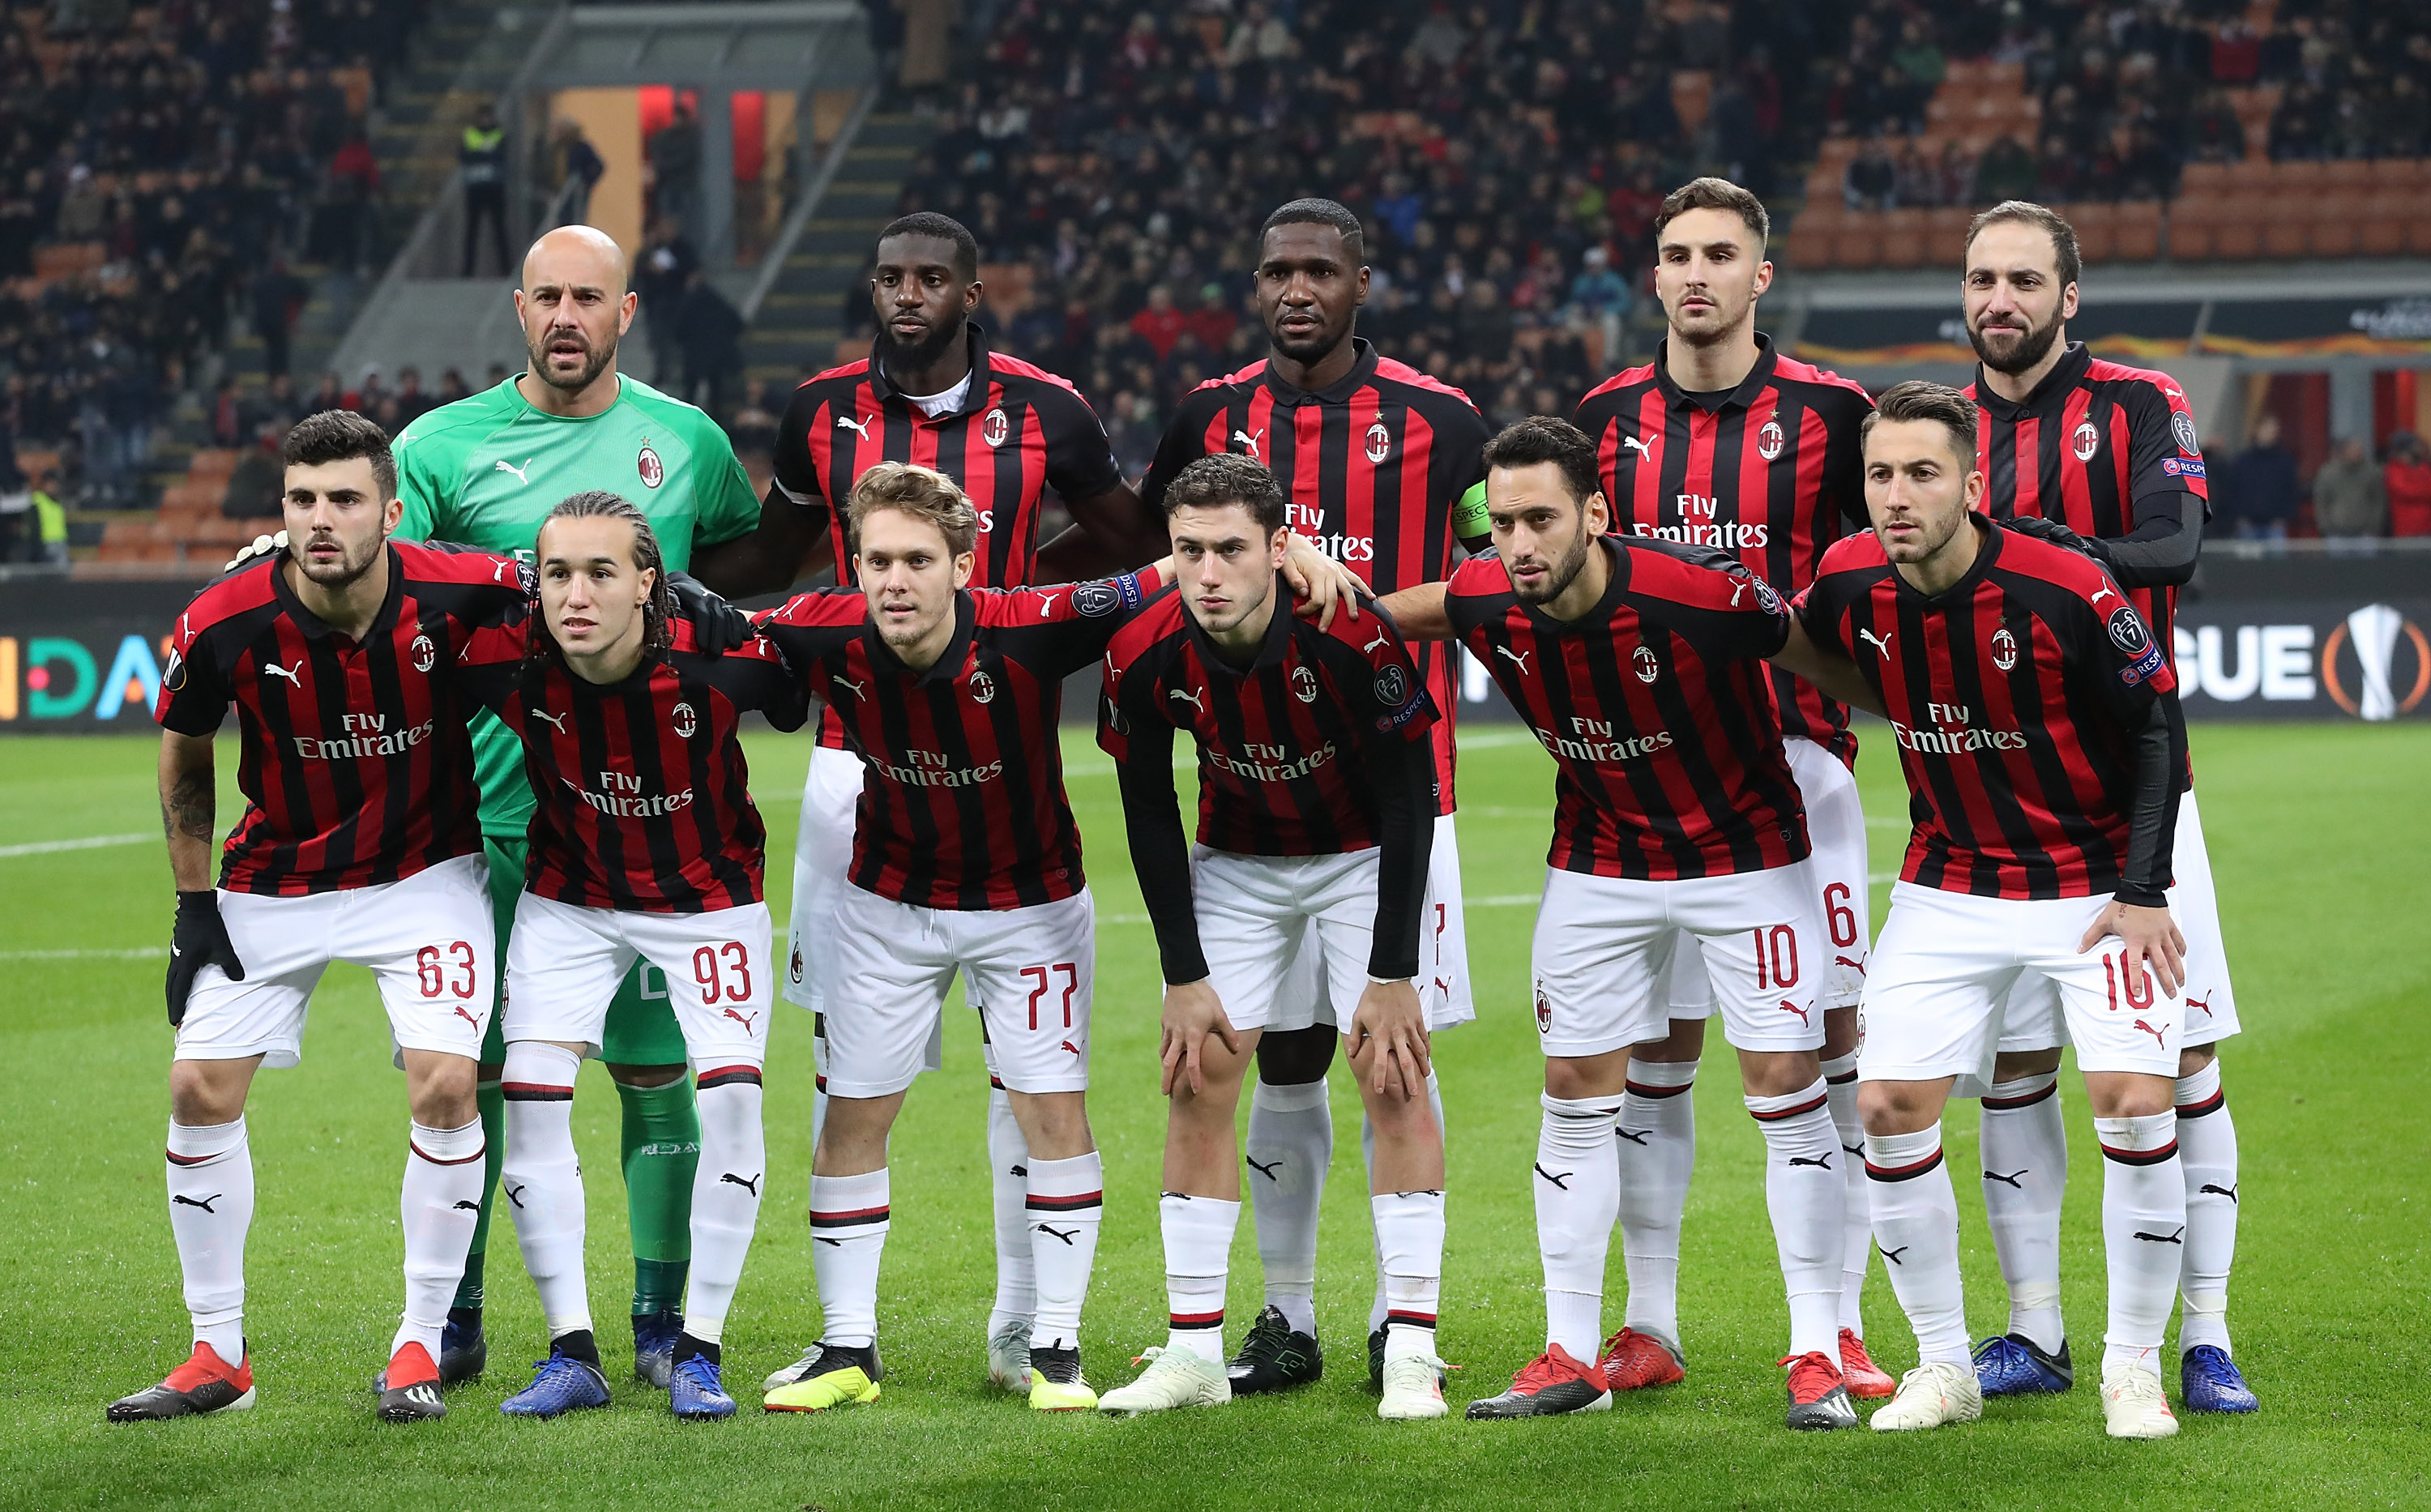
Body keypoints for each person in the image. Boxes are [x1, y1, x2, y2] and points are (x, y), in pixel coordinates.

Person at [1378, 416, 1882, 1429]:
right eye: (1504, 521)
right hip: (1600, 864)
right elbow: (1402, 613)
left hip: (1748, 857)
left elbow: (1828, 668)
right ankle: (1571, 1351)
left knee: (1787, 1088)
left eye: (1542, 520)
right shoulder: (1487, 594)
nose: (1519, 545)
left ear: (1596, 515)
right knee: (1573, 1092)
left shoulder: (1702, 593)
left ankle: (1819, 1348)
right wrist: (1301, 586)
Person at [748, 212, 1169, 1400]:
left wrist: (1262, 555)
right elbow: (752, 579)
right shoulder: (819, 411)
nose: (909, 295)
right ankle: (847, 1341)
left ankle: (1036, 1328)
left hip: (1010, 767)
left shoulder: (1049, 413)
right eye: (891, 278)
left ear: (972, 293)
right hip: (855, 783)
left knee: (1032, 1085)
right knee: (848, 1079)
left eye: (932, 278)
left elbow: (1146, 546)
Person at [382, 225, 767, 1392]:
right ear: (516, 307)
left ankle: (658, 1323)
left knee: (655, 1072)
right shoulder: (437, 445)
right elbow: (391, 593)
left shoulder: (688, 442)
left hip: (652, 834)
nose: (564, 314)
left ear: (626, 311)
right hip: (480, 824)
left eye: (585, 297)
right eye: (545, 295)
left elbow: (733, 577)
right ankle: (457, 1319)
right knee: (477, 1076)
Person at [1140, 196, 1495, 1399]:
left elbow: (1500, 564)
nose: (1298, 290)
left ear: (1360, 284)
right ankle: (1281, 1321)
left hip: (1397, 791)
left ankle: (1410, 1336)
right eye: (1278, 270)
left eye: (1320, 271)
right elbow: (1165, 553)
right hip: (1245, 809)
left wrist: (1372, 616)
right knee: (1270, 1059)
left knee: (1387, 1059)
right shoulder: (1207, 414)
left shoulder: (1443, 419)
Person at [114, 411, 532, 1425]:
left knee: (444, 1084)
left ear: (391, 510)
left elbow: (567, 579)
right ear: (281, 511)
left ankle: (419, 1346)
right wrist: (190, 899)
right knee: (197, 1088)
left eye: (345, 499)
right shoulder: (223, 618)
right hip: (274, 878)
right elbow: (182, 741)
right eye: (302, 500)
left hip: (425, 872)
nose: (321, 520)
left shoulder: (463, 589)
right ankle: (217, 1353)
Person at [1801, 380, 2190, 1441]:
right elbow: (1806, 648)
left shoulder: (2064, 582)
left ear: (1973, 484)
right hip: (1949, 880)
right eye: (1880, 474)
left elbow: (2157, 722)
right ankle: (1942, 1365)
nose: (1897, 494)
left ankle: (2132, 1369)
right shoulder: (1845, 579)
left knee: (2132, 1099)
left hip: (2092, 881)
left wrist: (2147, 889)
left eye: (1922, 473)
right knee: (1884, 1107)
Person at [1570, 176, 1891, 1403]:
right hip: (1650, 786)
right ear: (1651, 277)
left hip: (1797, 777)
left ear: (1764, 277)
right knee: (1659, 1051)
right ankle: (1646, 1324)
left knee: (1828, 1042)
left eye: (1720, 254)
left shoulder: (1831, 411)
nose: (1695, 272)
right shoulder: (1603, 418)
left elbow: (1879, 565)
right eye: (1674, 253)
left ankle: (1842, 1325)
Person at [1959, 200, 2254, 1416]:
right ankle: (2033, 1330)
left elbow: (2174, 541)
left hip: (2133, 779)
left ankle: (2205, 1332)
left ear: (2068, 297)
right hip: (1988, 793)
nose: (2001, 301)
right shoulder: (1940, 425)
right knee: (2012, 1067)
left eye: (2026, 279)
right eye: (1982, 278)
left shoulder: (2135, 404)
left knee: (2179, 1060)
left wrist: (2016, 544)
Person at [1093, 454, 1448, 1421]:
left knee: (1391, 1068)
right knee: (1198, 1071)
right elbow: (1147, 807)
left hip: (1364, 850)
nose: (1209, 573)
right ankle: (1193, 1353)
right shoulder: (1142, 649)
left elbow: (1412, 793)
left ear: (1279, 549)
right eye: (1189, 551)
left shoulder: (1348, 631)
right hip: (1239, 857)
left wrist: (1391, 971)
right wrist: (1183, 974)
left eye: (1232, 550)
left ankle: (1412, 1347)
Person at [453, 493, 804, 1423]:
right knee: (530, 1106)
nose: (577, 593)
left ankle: (700, 1350)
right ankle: (572, 1351)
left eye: (603, 572)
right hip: (568, 902)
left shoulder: (716, 656)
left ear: (648, 583)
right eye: (557, 573)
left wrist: (746, 624)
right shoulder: (504, 657)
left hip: (708, 903)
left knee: (731, 1104)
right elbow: (405, 593)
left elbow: (801, 690)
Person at [2220, 414, 2298, 542]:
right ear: (2257, 429)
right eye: (2267, 428)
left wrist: (2284, 517)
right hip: (2248, 525)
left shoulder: (2284, 461)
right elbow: (2232, 489)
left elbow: (2291, 490)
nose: (2271, 432)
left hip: (2275, 525)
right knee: (2249, 561)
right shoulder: (2243, 460)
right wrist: (2239, 516)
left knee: (2276, 562)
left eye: (2273, 429)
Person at [460, 103, 510, 279]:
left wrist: (480, 154)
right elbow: (464, 157)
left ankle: (506, 269)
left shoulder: (499, 134)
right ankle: (467, 270)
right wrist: (486, 153)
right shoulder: (470, 134)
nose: (485, 120)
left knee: (499, 229)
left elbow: (502, 155)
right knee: (472, 230)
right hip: (475, 188)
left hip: (494, 187)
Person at [2312, 436, 2388, 546]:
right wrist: (2326, 527)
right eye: (2354, 449)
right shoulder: (2328, 473)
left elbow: (2378, 500)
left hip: (2366, 534)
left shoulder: (2372, 473)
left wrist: (2375, 526)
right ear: (2344, 451)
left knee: (2367, 563)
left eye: (2360, 449)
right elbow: (2321, 502)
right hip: (2336, 534)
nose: (2358, 453)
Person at [2385, 431, 2431, 536]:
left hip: (2427, 528)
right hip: (2406, 530)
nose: (2420, 448)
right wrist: (2425, 490)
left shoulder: (2424, 468)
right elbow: (2406, 491)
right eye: (2416, 445)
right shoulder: (2394, 470)